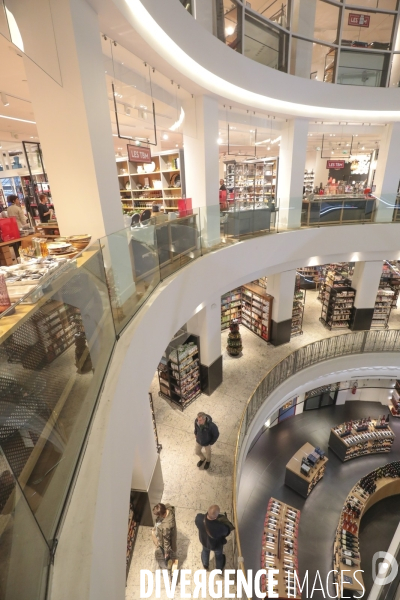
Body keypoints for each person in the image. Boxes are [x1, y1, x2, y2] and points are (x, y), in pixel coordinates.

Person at [195, 505, 230, 570]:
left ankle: (205, 565)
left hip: (204, 541)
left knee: (205, 551)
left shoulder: (199, 518)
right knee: (218, 556)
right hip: (216, 545)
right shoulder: (220, 527)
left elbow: (197, 521)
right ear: (215, 517)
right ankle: (219, 568)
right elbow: (227, 532)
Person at [151, 503, 177, 570]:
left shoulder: (166, 527)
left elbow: (166, 541)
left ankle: (169, 565)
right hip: (170, 535)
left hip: (164, 541)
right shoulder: (168, 508)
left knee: (167, 555)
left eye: (158, 515)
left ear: (162, 515)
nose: (156, 517)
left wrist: (166, 552)